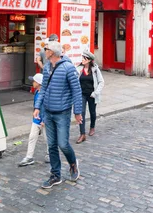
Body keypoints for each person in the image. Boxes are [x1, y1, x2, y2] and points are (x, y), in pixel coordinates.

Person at [34, 41, 82, 189]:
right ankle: (55, 175)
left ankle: (73, 164)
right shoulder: (48, 66)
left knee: (63, 144)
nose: (44, 50)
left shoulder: (68, 68)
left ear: (52, 52)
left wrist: (78, 112)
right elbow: (43, 89)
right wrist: (37, 107)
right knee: (52, 145)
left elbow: (76, 91)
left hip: (62, 113)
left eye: (46, 49)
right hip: (48, 111)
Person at [18, 73, 50, 166]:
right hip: (36, 119)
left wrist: (45, 120)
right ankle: (29, 157)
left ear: (39, 83)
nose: (32, 82)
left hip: (44, 120)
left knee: (48, 139)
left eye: (34, 81)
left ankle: (50, 154)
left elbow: (47, 107)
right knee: (32, 137)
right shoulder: (36, 92)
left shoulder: (46, 94)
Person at [76, 50, 105, 144]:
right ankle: (82, 134)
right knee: (81, 113)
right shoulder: (79, 69)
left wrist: (95, 93)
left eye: (84, 58)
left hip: (92, 94)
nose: (82, 60)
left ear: (88, 60)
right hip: (82, 94)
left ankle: (92, 126)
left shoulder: (95, 70)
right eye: (82, 58)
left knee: (92, 112)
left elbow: (101, 82)